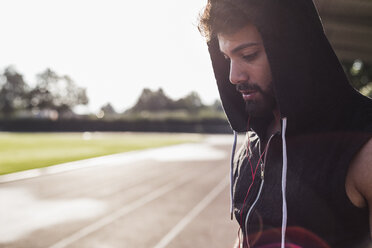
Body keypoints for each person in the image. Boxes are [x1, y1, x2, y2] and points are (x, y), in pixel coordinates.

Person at [198, 0, 372, 247]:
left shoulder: (363, 145)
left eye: (248, 55)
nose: (233, 76)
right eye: (227, 58)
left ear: (293, 49)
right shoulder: (250, 150)